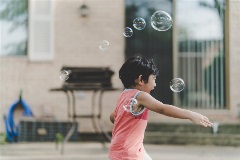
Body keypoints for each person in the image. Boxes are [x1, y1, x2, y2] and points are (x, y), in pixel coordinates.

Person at [108, 56, 213, 160]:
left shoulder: (124, 95)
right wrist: (190, 115)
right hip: (128, 153)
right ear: (140, 80)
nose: (155, 84)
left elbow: (113, 117)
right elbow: (163, 108)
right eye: (153, 79)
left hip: (123, 149)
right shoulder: (140, 95)